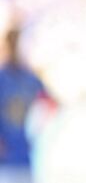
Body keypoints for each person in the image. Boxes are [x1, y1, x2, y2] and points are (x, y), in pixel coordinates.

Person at [0, 23, 53, 183]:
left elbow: (51, 103)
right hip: (5, 158)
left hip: (24, 157)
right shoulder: (3, 77)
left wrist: (37, 133)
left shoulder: (30, 78)